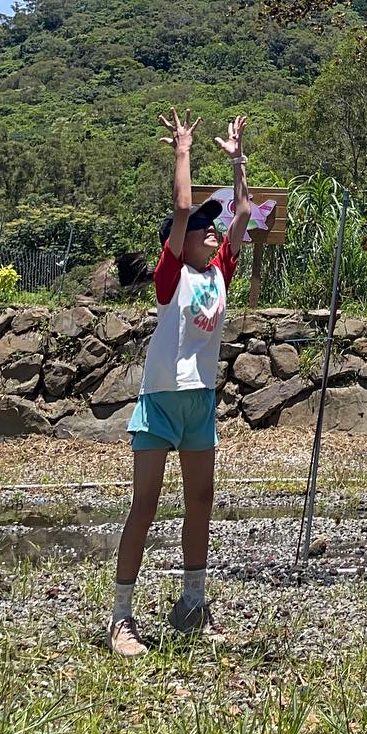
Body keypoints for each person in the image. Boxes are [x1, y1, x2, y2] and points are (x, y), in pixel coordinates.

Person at [108, 110, 254, 654]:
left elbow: (242, 213)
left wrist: (238, 160)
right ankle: (121, 618)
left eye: (212, 228)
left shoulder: (218, 272)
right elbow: (182, 207)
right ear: (182, 239)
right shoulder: (171, 278)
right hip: (160, 401)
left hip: (199, 402)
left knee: (202, 499)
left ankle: (193, 603)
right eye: (203, 227)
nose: (212, 229)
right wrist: (184, 150)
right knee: (145, 502)